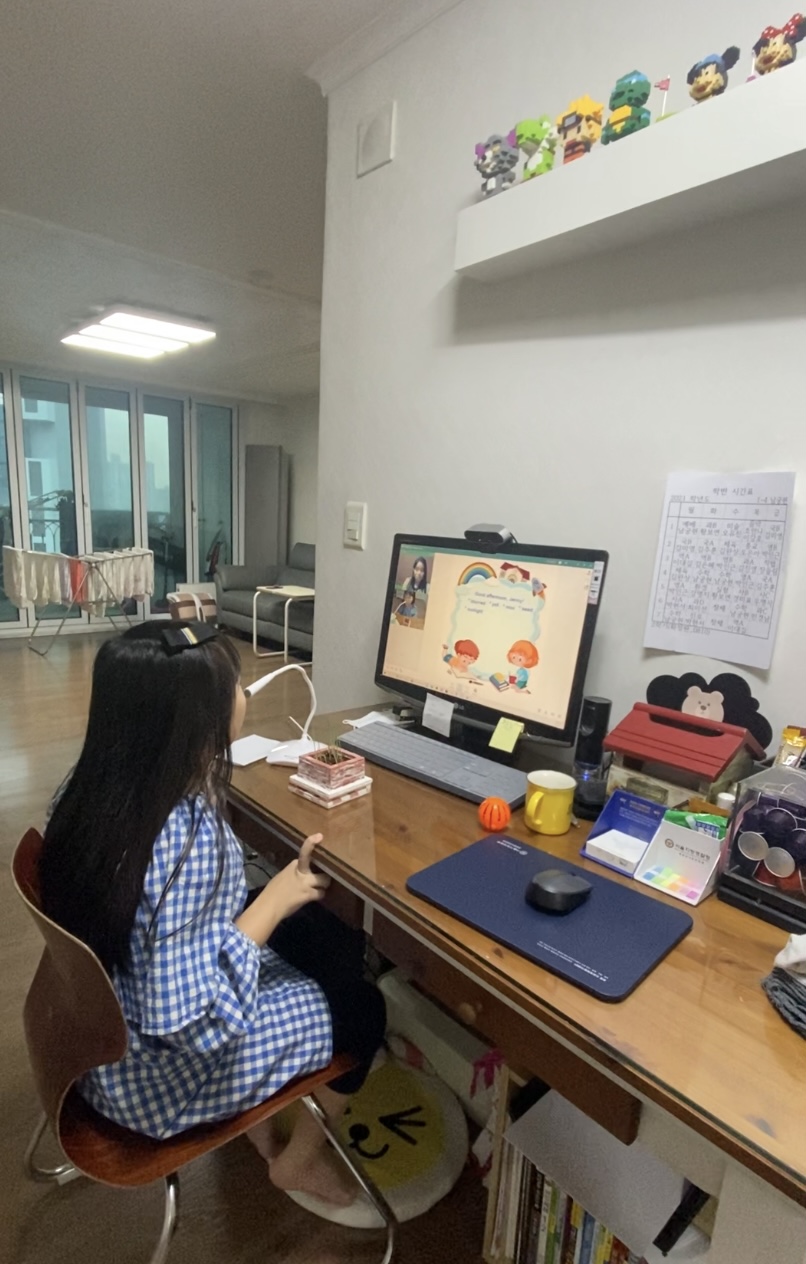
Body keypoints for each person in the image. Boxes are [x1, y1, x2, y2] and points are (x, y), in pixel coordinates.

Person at [39, 621, 385, 1207]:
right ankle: (296, 1162)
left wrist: (275, 903)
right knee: (363, 1009)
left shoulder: (87, 792)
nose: (245, 696)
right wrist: (274, 898)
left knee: (318, 932)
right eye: (238, 688)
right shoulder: (184, 842)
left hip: (97, 1045)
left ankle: (262, 1126)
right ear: (198, 721)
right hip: (159, 1084)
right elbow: (191, 1027)